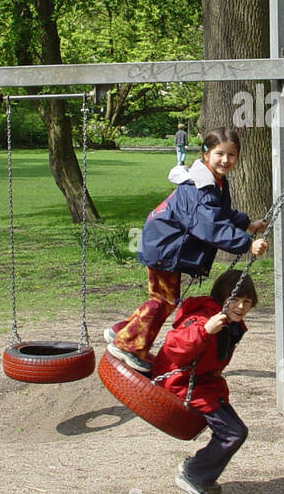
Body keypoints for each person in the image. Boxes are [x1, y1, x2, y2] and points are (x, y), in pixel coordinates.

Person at [107, 128, 268, 372]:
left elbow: (220, 213)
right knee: (163, 299)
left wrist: (246, 223)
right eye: (219, 154)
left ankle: (123, 330)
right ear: (206, 154)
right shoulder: (199, 185)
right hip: (165, 245)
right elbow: (209, 224)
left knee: (164, 298)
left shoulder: (214, 182)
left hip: (165, 243)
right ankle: (127, 344)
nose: (226, 160)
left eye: (232, 155)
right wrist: (246, 243)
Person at [161, 268, 259, 494]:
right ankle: (194, 473)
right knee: (233, 432)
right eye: (234, 300)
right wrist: (204, 331)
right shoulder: (203, 318)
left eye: (246, 302)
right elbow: (174, 347)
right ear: (221, 298)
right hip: (183, 384)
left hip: (206, 386)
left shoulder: (234, 325)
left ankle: (199, 470)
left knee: (237, 431)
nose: (240, 307)